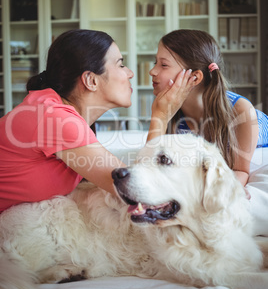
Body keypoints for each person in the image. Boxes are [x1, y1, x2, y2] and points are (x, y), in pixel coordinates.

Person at [0, 29, 135, 212]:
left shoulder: (57, 112)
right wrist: (161, 113)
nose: (130, 73)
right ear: (91, 80)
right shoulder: (55, 117)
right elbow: (134, 188)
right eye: (120, 65)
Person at [147, 29, 268, 188]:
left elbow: (241, 171)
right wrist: (159, 116)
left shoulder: (240, 110)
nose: (152, 71)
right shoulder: (168, 109)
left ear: (195, 77)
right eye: (156, 62)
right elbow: (151, 165)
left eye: (163, 65)